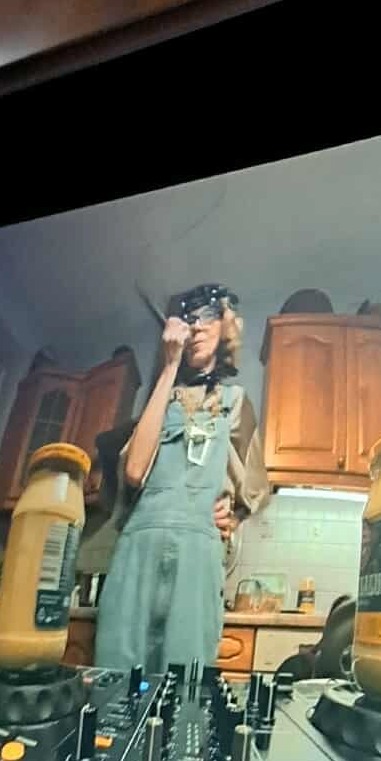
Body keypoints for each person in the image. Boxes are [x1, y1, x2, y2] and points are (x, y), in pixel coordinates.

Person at [94, 284, 268, 675]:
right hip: (138, 552)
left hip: (198, 557)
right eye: (190, 320)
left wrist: (232, 517)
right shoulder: (162, 398)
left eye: (209, 317)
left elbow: (255, 486)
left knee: (186, 683)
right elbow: (134, 472)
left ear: (226, 327)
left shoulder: (236, 402)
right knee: (115, 678)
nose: (199, 327)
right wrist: (169, 367)